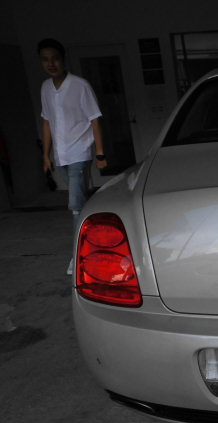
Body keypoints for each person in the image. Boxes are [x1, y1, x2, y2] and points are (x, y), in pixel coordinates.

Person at [37, 38, 107, 274]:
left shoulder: (80, 85)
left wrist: (100, 154)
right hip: (61, 155)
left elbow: (95, 120)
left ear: (63, 59)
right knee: (81, 202)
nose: (51, 63)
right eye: (45, 59)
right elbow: (47, 122)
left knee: (75, 206)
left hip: (79, 152)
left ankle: (78, 256)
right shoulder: (45, 88)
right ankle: (97, 241)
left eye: (55, 58)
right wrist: (46, 155)